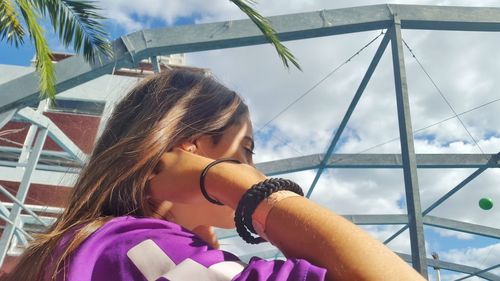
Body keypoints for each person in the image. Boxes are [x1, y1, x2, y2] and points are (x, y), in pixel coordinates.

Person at [4, 69, 426, 281]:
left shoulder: (107, 247)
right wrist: (242, 187)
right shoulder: (139, 248)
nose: (252, 168)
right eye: (243, 150)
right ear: (187, 145)